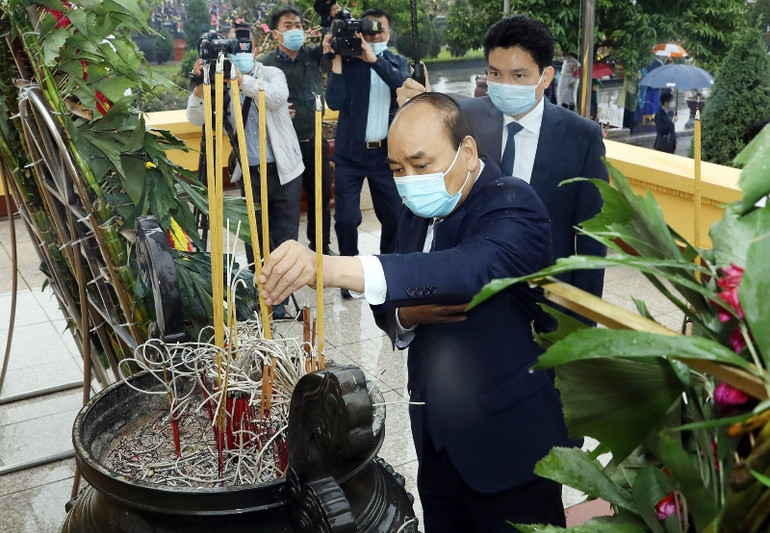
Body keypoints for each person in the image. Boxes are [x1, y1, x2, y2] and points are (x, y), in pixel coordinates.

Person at [258, 92, 572, 532]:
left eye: (421, 166)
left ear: (465, 150)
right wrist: (408, 316)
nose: (408, 181)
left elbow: (465, 269)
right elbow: (394, 291)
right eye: (396, 169)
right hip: (436, 440)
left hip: (508, 448)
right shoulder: (415, 211)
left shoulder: (513, 204)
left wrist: (327, 267)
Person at [397, 15, 608, 316]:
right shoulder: (463, 119)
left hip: (545, 304)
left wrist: (582, 325)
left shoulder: (582, 137)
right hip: (469, 300)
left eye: (518, 76)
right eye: (495, 73)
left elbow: (592, 239)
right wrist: (420, 114)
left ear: (546, 77)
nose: (504, 84)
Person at [186, 22, 304, 319]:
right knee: (255, 239)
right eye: (230, 48)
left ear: (256, 48)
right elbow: (196, 117)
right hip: (249, 172)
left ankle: (280, 299)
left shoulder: (270, 73)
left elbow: (275, 97)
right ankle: (260, 295)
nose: (238, 52)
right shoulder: (218, 82)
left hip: (284, 170)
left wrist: (241, 80)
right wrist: (201, 82)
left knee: (284, 237)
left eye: (243, 46)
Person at [322, 8, 410, 297]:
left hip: (386, 156)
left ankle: (386, 271)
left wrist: (373, 59)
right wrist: (337, 55)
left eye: (380, 31)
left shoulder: (397, 62)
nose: (375, 36)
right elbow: (333, 102)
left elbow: (403, 88)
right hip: (350, 155)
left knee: (394, 218)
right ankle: (350, 275)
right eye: (369, 31)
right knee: (347, 219)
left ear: (389, 33)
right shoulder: (348, 62)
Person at [260, 7, 334, 254]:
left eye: (299, 25)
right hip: (282, 147)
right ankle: (284, 251)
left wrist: (330, 13)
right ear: (275, 34)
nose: (295, 30)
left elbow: (330, 37)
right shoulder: (265, 65)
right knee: (285, 203)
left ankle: (321, 247)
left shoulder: (314, 56)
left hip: (314, 139)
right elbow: (256, 102)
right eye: (288, 26)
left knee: (320, 197)